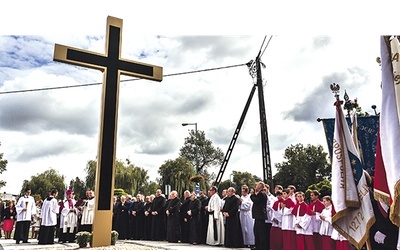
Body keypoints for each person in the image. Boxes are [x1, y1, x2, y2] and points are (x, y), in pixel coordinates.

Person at [250, 181, 268, 250]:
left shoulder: (261, 194)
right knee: (256, 231)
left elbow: (255, 200)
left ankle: (262, 246)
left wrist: (252, 194)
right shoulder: (259, 194)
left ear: (260, 186)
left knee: (261, 232)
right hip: (257, 216)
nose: (255, 186)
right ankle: (257, 246)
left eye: (257, 185)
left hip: (260, 215)